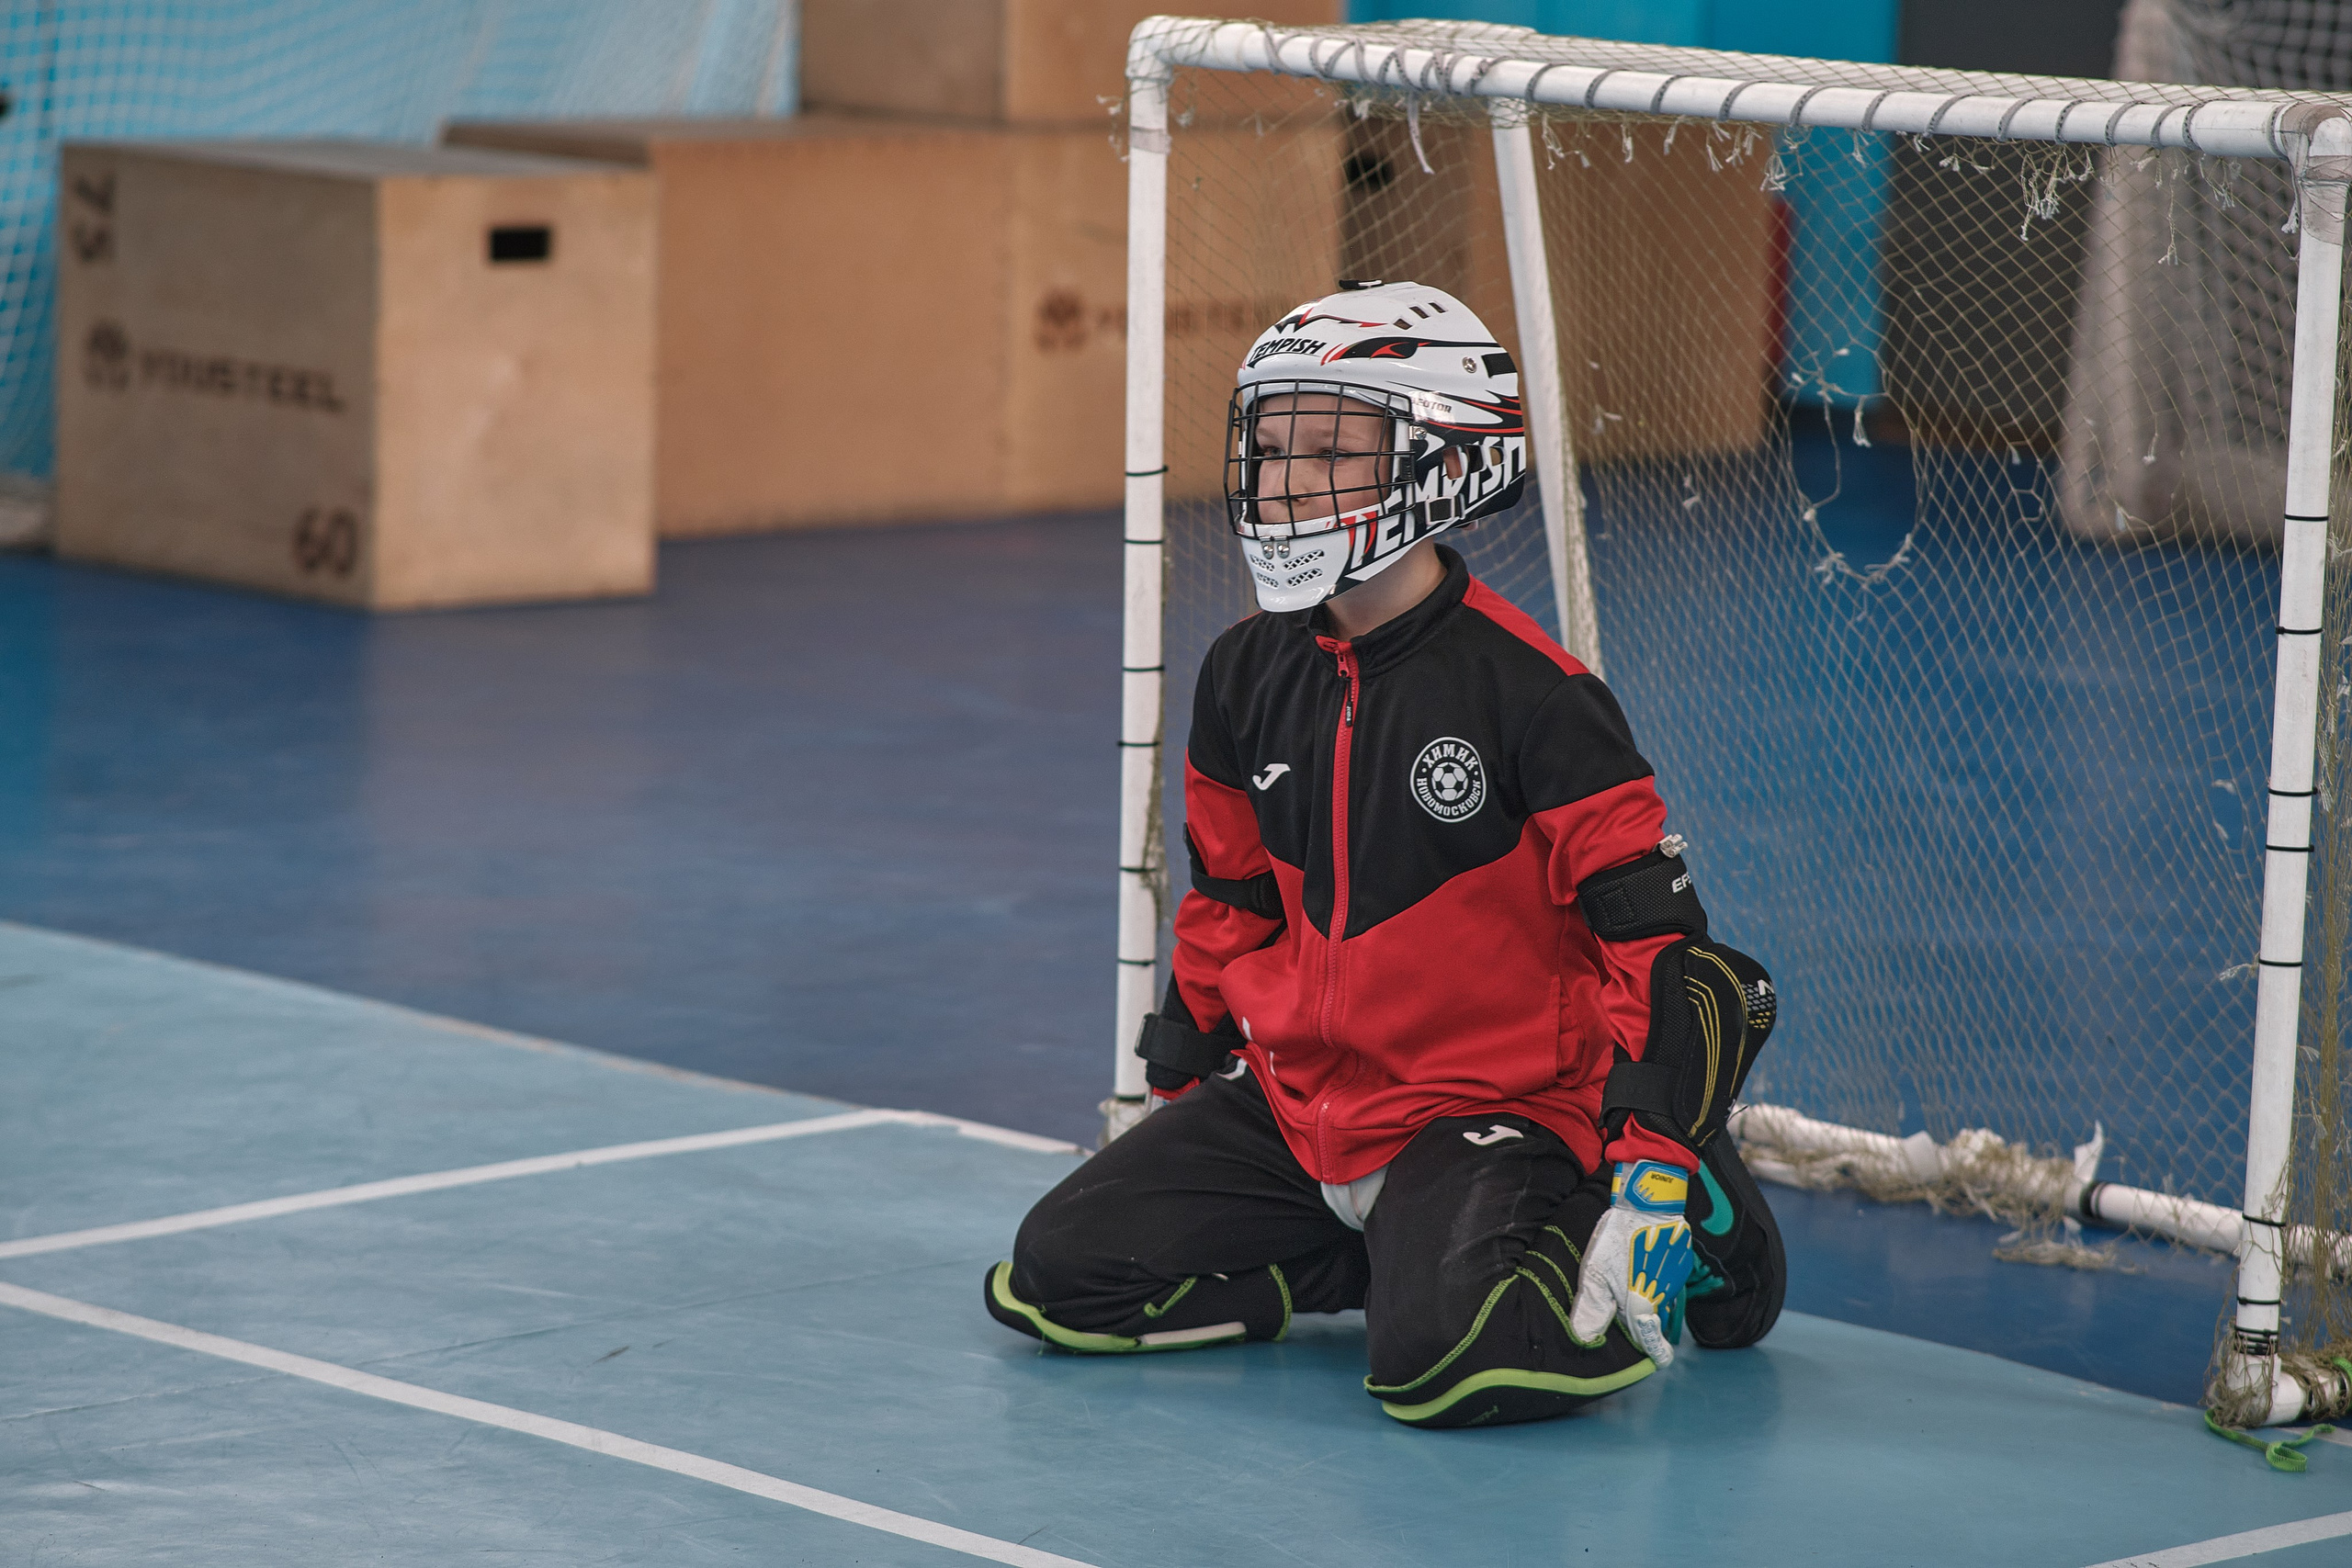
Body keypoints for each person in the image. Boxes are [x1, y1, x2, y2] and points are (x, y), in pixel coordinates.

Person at [984, 280, 1785, 1428]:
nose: (1285, 478)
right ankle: (1385, 1266)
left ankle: (1701, 1215)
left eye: (1330, 449)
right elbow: (1230, 900)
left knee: (1449, 1369)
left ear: (1440, 461)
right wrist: (1175, 1080)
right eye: (1270, 447)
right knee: (1057, 1277)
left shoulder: (1540, 698)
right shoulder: (1242, 673)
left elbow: (1660, 948)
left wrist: (1651, 1153)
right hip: (1300, 1104)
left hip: (1488, 1105)